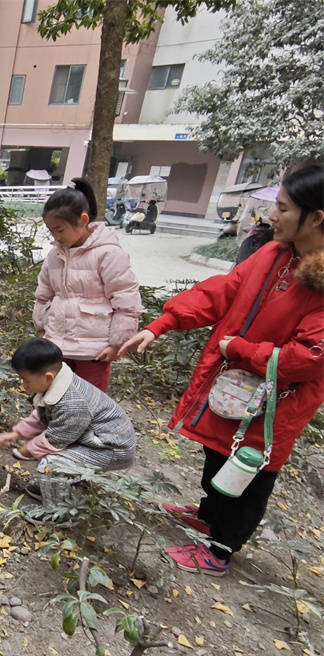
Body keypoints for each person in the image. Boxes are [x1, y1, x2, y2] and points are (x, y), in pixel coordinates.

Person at [118, 162, 324, 574]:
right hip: (236, 387)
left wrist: (243, 349)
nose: (272, 216)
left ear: (315, 217)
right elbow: (223, 292)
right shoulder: (273, 254)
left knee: (251, 465)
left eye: (283, 209)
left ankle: (220, 548)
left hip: (276, 399)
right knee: (219, 449)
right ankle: (208, 514)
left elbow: (311, 357)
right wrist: (162, 324)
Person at [34, 177, 141, 393]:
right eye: (51, 230)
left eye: (60, 230)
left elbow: (126, 302)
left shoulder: (109, 254)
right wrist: (42, 328)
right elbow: (43, 296)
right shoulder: (55, 256)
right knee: (54, 400)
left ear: (83, 220)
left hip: (94, 351)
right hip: (57, 347)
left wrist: (116, 343)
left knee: (89, 403)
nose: (55, 236)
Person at [0, 338, 136, 504]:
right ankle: (64, 486)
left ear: (48, 377)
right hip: (92, 438)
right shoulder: (55, 384)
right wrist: (18, 433)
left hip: (111, 448)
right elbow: (41, 414)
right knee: (56, 458)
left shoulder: (72, 403)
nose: (23, 384)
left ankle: (57, 510)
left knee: (52, 463)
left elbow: (55, 440)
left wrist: (27, 449)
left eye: (26, 380)